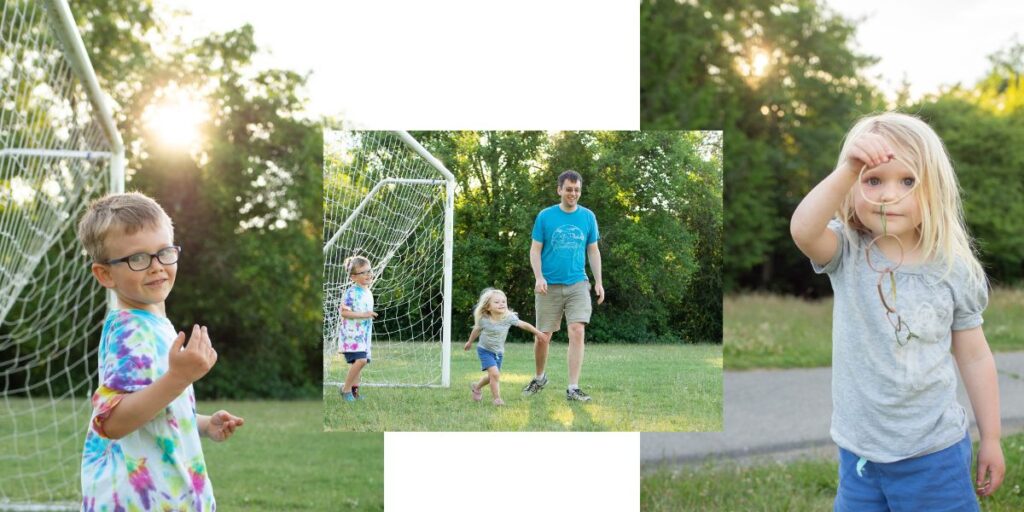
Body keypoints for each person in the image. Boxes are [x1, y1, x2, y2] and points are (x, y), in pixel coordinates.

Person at [790, 112, 1004, 510]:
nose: (889, 195)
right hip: (861, 456)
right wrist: (849, 167)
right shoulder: (847, 250)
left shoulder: (953, 268)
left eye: (908, 181)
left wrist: (990, 438)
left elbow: (975, 357)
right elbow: (802, 230)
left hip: (933, 455)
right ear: (852, 189)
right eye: (872, 180)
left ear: (935, 191)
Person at [77, 192, 243, 511]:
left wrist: (204, 424)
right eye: (138, 258)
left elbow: (155, 409)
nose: (156, 267)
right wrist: (179, 378)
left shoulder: (155, 323)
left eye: (164, 252)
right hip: (137, 499)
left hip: (167, 494)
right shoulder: (128, 329)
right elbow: (112, 422)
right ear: (105, 274)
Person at [522, 170, 605, 402]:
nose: (573, 193)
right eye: (568, 189)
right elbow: (535, 249)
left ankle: (573, 387)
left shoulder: (588, 217)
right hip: (549, 284)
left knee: (577, 330)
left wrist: (598, 281)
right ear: (559, 190)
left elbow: (593, 250)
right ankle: (539, 378)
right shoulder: (546, 216)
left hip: (578, 283)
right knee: (542, 337)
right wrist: (538, 277)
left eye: (577, 189)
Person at [463, 288, 549, 406]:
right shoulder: (484, 319)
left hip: (498, 352)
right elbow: (476, 330)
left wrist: (538, 333)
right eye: (497, 302)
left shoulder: (508, 317)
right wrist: (469, 342)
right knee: (495, 374)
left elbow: (524, 324)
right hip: (485, 350)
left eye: (503, 301)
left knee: (491, 376)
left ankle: (476, 387)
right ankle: (497, 399)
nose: (501, 304)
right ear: (488, 307)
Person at [338, 255, 377, 401]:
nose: (368, 274)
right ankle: (345, 389)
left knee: (361, 362)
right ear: (353, 277)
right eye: (363, 273)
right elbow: (344, 312)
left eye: (369, 271)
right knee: (360, 361)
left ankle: (354, 393)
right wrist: (364, 314)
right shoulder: (351, 292)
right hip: (352, 336)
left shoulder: (368, 292)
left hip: (363, 335)